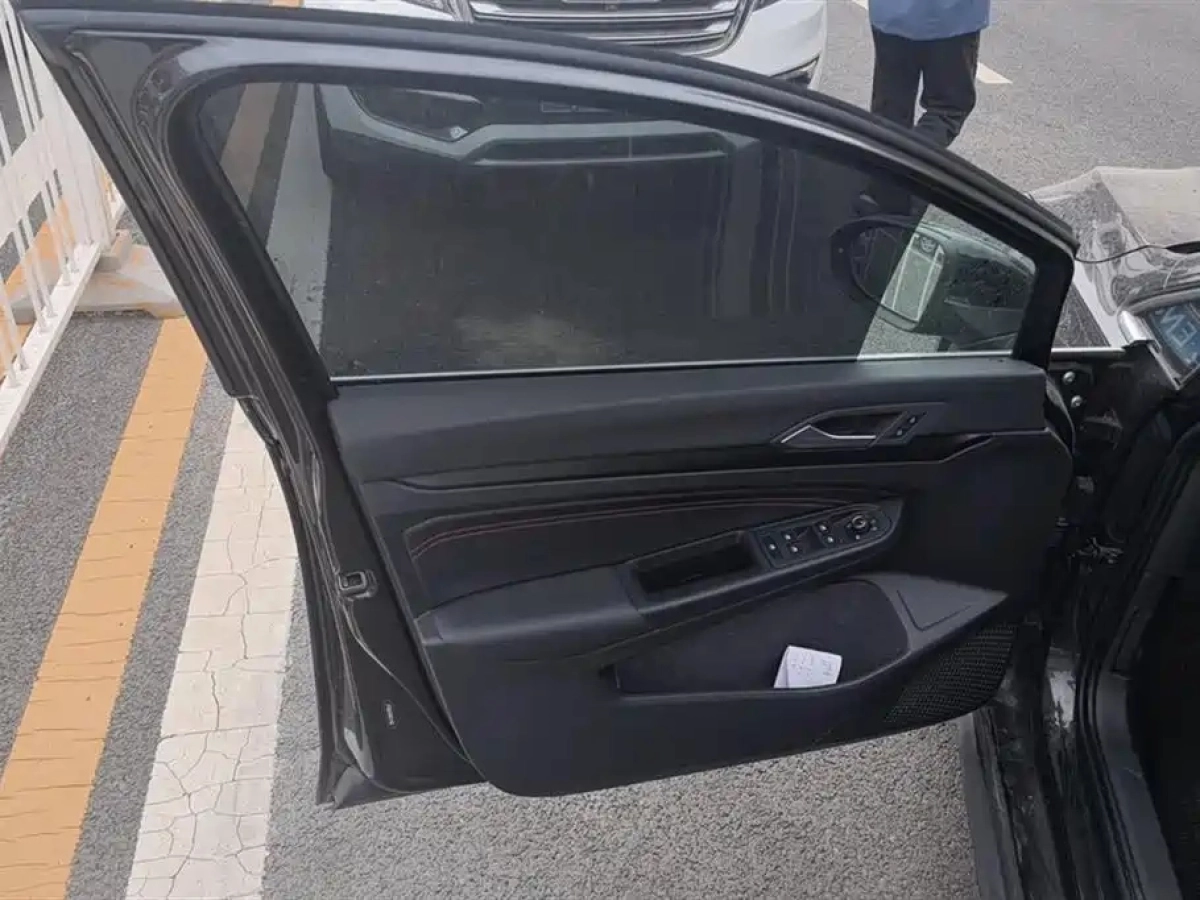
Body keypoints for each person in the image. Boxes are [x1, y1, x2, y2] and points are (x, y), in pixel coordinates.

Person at [867, 0, 991, 149]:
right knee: (948, 109)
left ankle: (887, 156)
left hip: (891, 13)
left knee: (890, 112)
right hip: (952, 18)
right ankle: (912, 154)